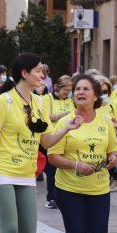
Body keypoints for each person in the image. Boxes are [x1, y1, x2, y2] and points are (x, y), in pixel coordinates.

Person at [0, 53, 82, 233]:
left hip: (26, 174)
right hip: (1, 172)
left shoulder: (40, 103)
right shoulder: (3, 102)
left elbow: (47, 140)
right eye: (38, 71)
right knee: (10, 230)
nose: (43, 75)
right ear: (25, 73)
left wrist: (66, 128)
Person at [47, 74, 117, 233]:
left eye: (86, 89)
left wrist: (113, 159)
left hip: (99, 189)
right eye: (77, 89)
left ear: (96, 95)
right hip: (69, 189)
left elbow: (113, 150)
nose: (80, 92)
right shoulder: (65, 122)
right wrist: (76, 165)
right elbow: (52, 156)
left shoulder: (105, 121)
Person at [42, 75, 74, 209]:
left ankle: (63, 195)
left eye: (69, 90)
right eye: (65, 90)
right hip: (51, 137)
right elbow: (43, 116)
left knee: (62, 169)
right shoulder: (47, 98)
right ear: (57, 87)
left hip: (67, 137)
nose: (67, 93)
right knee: (51, 170)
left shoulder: (70, 100)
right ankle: (52, 198)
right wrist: (59, 116)